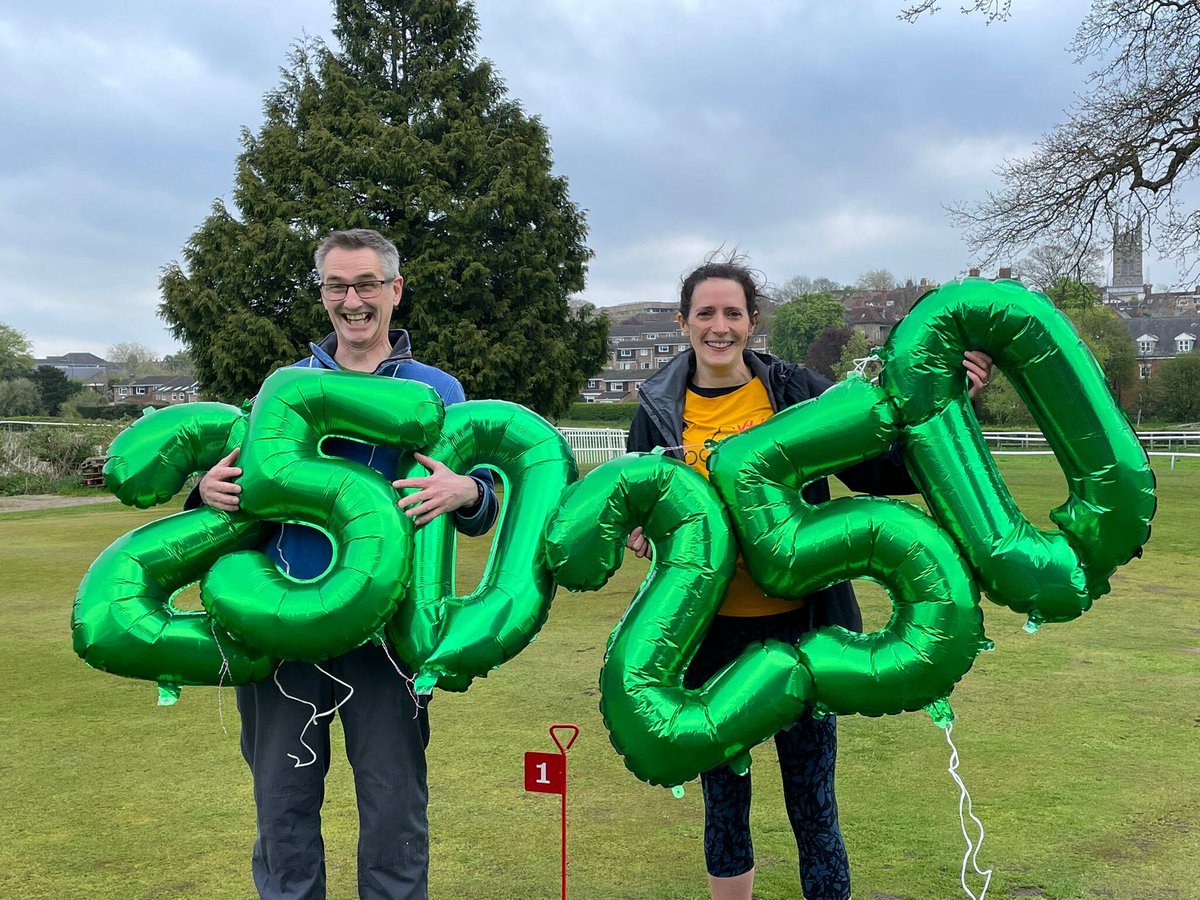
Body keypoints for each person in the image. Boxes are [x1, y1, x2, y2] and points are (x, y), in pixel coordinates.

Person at [625, 258, 991, 900]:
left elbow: (881, 471)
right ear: (683, 323)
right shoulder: (657, 409)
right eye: (705, 314)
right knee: (725, 802)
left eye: (732, 313)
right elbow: (635, 505)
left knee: (813, 803)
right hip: (707, 638)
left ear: (752, 321)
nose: (719, 327)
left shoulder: (793, 390)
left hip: (805, 632)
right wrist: (638, 533)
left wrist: (950, 400)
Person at [195, 228, 498, 900]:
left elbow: (486, 495)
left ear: (394, 290)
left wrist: (466, 491)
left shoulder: (437, 389)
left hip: (386, 641)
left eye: (366, 284)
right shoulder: (286, 388)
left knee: (394, 813)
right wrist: (206, 493)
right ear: (323, 294)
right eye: (337, 286)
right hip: (283, 626)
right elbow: (246, 492)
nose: (352, 300)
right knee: (282, 810)